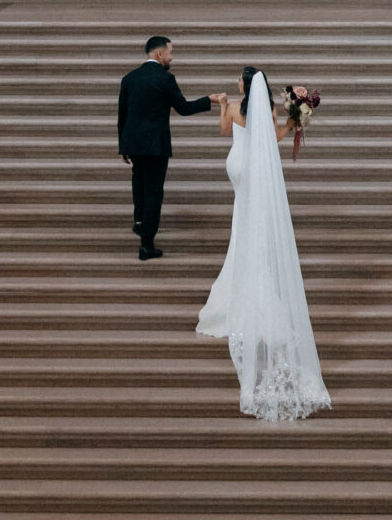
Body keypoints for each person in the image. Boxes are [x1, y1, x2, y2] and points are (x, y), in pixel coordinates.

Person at [196, 64, 330, 422]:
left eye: (239, 81)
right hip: (255, 170)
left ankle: (236, 283)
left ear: (245, 85)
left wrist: (221, 106)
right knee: (251, 222)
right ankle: (256, 283)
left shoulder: (234, 107)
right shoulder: (268, 110)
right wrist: (293, 122)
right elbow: (273, 141)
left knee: (241, 219)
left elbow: (224, 131)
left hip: (236, 166)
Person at [116, 35, 212, 261]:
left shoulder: (129, 78)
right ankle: (146, 245)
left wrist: (123, 145)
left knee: (139, 184)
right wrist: (210, 100)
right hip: (155, 145)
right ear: (160, 54)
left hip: (134, 143)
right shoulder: (165, 79)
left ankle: (140, 222)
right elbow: (184, 108)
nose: (171, 57)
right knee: (153, 192)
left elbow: (122, 114)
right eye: (170, 52)